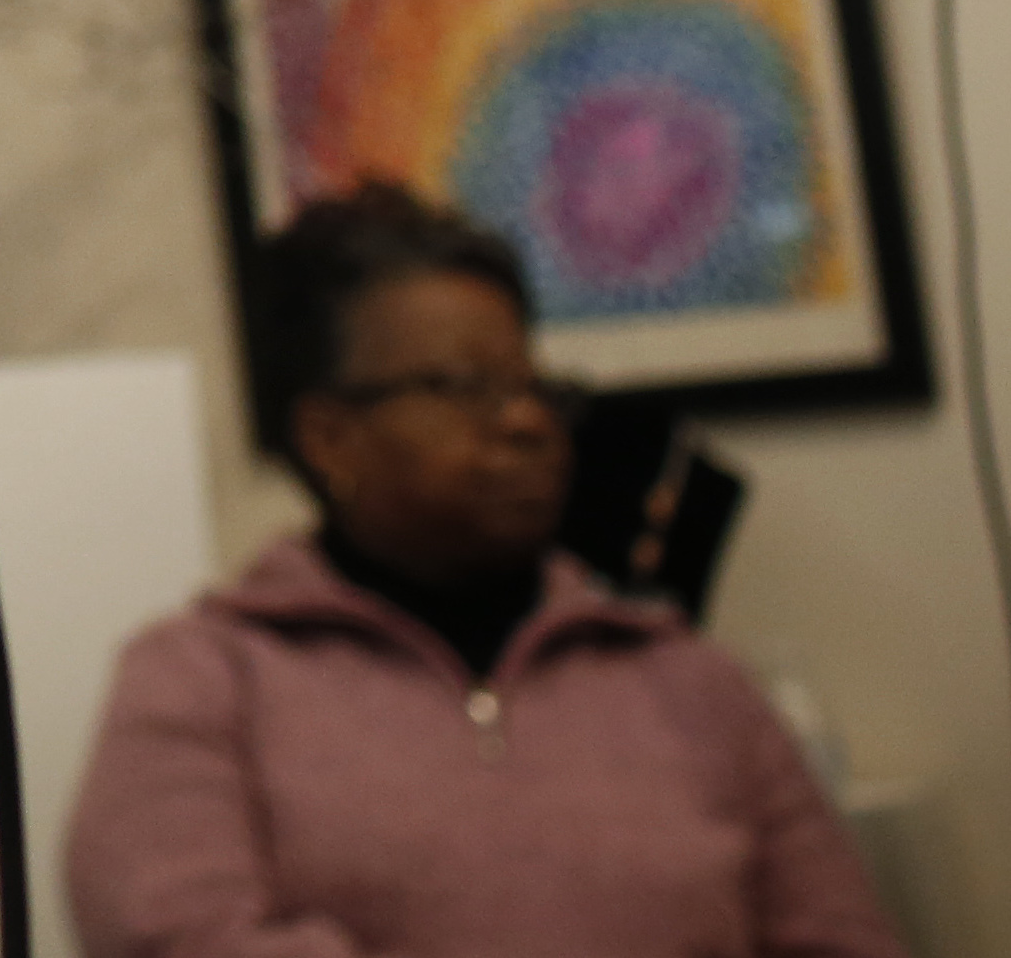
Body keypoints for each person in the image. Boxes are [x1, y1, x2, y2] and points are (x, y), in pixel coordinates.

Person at [65, 184, 901, 958]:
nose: (528, 422)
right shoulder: (204, 678)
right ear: (330, 437)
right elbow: (173, 939)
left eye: (534, 386)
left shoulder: (692, 682)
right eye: (466, 386)